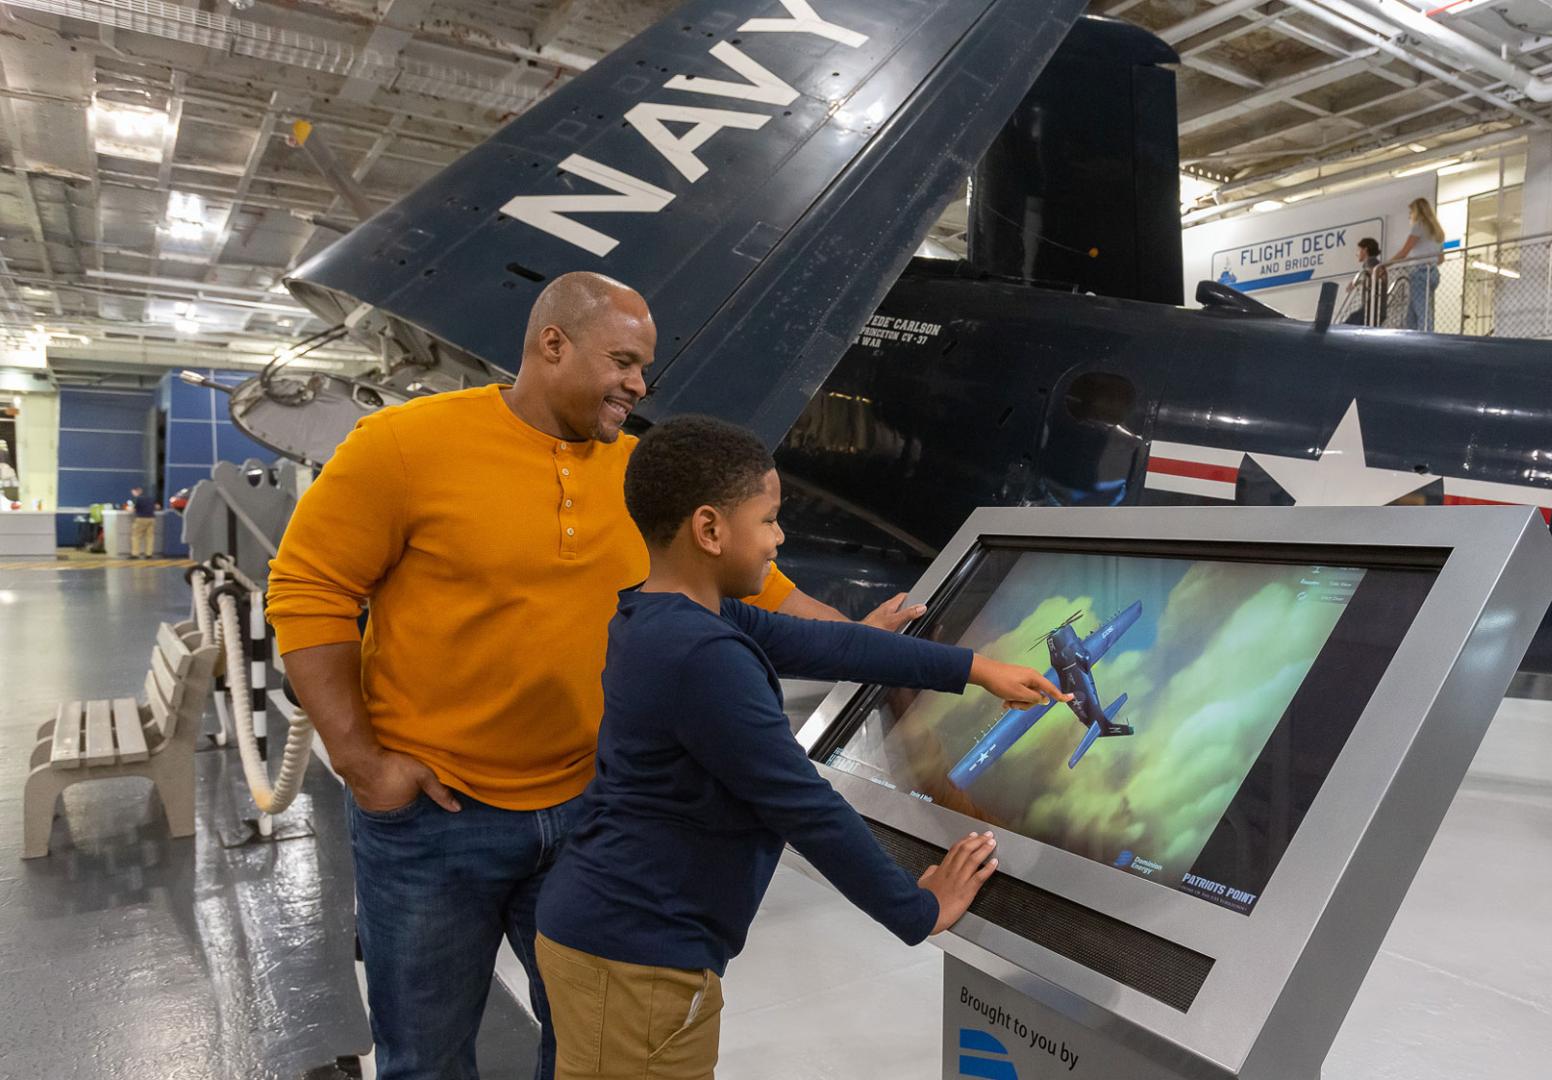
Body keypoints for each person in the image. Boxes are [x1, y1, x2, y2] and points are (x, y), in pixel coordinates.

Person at [266, 272, 922, 1080]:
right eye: (623, 361)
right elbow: (308, 592)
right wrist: (362, 764)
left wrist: (867, 642)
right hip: (434, 823)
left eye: (645, 368)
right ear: (552, 345)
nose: (639, 385)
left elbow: (764, 593)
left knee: (587, 1049)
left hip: (589, 820)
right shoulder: (403, 447)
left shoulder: (642, 475)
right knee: (424, 1061)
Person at [534, 416, 1067, 1080]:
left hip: (603, 931)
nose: (779, 539)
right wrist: (918, 909)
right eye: (769, 520)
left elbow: (836, 645)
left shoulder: (675, 615)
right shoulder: (702, 656)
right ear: (709, 530)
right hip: (641, 960)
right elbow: (803, 805)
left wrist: (974, 670)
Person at [1383, 197, 1446, 331]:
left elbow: (1404, 252)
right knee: (1411, 314)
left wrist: (1384, 265)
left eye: (1411, 212)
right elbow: (1441, 259)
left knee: (1422, 311)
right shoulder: (1437, 231)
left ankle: (1426, 339)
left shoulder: (1419, 225)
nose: (1410, 215)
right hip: (1433, 273)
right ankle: (1412, 336)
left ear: (1417, 212)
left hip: (1419, 273)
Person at [1343, 238, 1386, 326]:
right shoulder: (1373, 262)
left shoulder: (1370, 261)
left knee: (1348, 324)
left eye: (1358, 250)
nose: (1356, 254)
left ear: (1365, 250)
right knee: (1352, 318)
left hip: (1372, 309)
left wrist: (1355, 281)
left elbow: (1376, 272)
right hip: (1376, 309)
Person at [127, 485, 157, 558]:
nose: (133, 494)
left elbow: (132, 509)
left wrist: (128, 508)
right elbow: (157, 507)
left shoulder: (137, 499)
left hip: (141, 518)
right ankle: (149, 554)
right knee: (150, 537)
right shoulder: (150, 498)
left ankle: (135, 554)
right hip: (151, 518)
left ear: (137, 491)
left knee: (136, 536)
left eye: (133, 492)